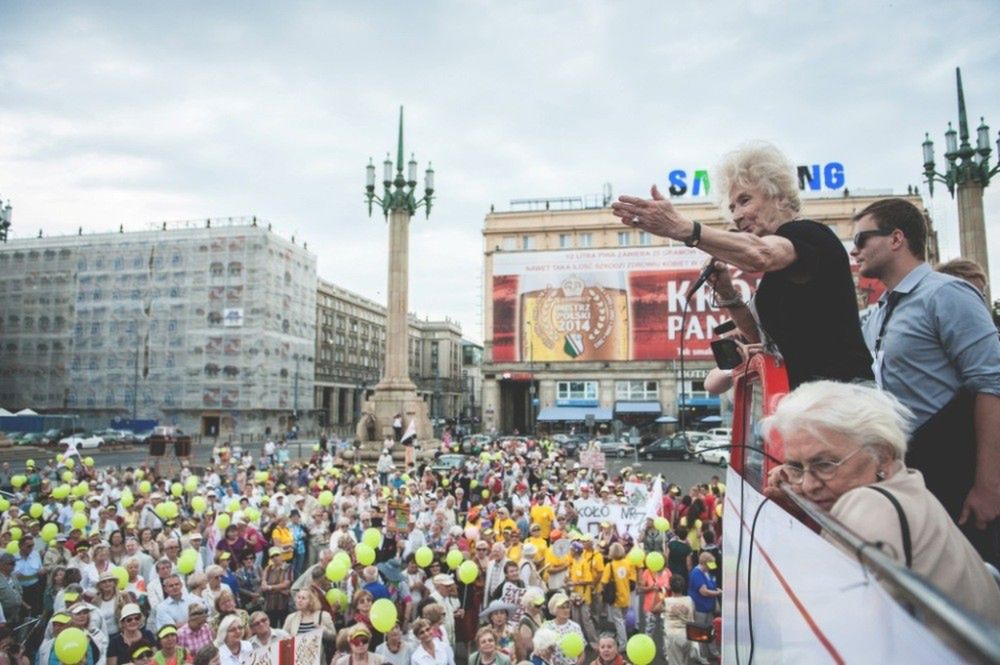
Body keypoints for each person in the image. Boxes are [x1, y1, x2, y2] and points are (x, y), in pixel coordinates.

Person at [611, 141, 873, 389]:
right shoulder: (778, 274)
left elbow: (760, 254)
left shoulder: (810, 235)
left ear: (779, 196)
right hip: (806, 402)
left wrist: (682, 229)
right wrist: (727, 293)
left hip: (844, 400)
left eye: (745, 200)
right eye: (732, 207)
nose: (736, 215)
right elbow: (758, 338)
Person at [763, 380, 1000, 625]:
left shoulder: (869, 505)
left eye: (824, 465)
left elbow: (829, 625)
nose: (807, 485)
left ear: (882, 455)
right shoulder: (905, 487)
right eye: (795, 466)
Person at [851, 197, 1000, 564]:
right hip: (915, 472)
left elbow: (991, 383)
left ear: (897, 238)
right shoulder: (882, 310)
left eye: (861, 240)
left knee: (975, 591)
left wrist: (988, 485)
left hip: (957, 469)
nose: (855, 251)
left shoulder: (946, 294)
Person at [657, 576, 696, 665]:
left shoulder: (666, 601)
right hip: (688, 634)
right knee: (685, 662)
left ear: (670, 587)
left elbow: (654, 609)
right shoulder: (690, 600)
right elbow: (694, 614)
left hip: (673, 636)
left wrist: (662, 596)